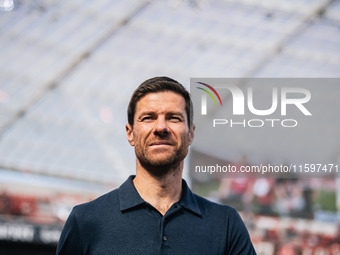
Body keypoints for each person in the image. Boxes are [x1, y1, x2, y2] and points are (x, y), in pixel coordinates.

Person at [56, 76, 256, 255]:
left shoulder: (225, 224)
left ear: (191, 134)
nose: (161, 127)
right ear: (130, 133)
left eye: (174, 118)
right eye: (148, 118)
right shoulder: (86, 220)